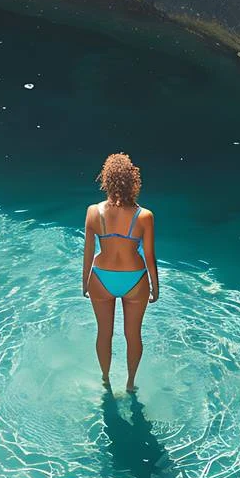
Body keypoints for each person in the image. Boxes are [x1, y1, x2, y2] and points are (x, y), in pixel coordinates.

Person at [83, 153, 158, 390]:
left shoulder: (93, 212)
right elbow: (149, 255)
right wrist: (156, 286)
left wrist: (84, 283)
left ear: (106, 179)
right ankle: (130, 383)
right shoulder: (144, 216)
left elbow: (87, 253)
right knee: (133, 335)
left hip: (101, 277)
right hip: (134, 279)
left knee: (104, 333)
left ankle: (105, 379)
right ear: (132, 182)